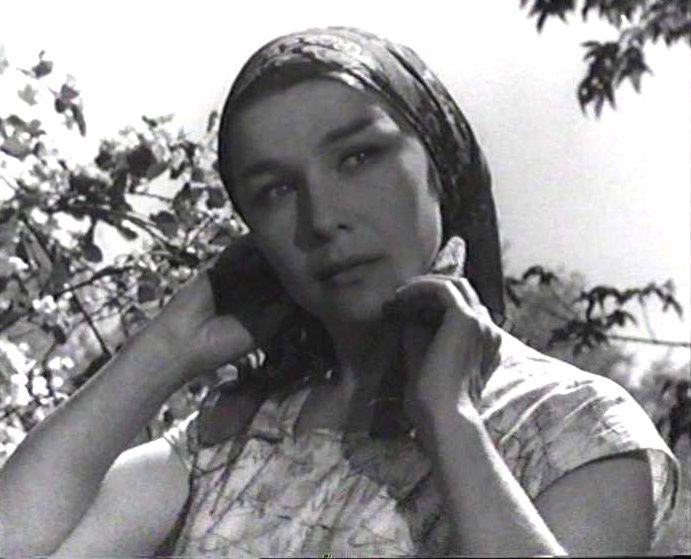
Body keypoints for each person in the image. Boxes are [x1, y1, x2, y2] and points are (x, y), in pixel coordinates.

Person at [0, 27, 679, 557]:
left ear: (439, 167)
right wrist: (168, 349)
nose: (322, 218)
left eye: (358, 157)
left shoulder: (571, 425)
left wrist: (449, 420)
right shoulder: (228, 439)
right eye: (275, 191)